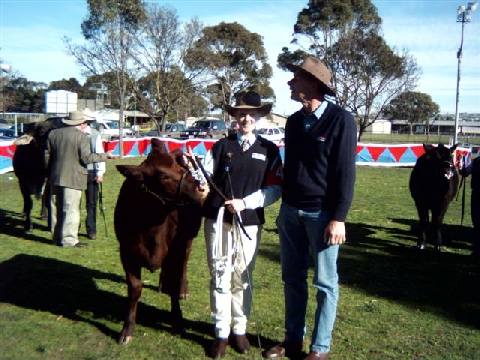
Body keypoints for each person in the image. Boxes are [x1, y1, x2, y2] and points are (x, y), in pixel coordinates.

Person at [264, 56, 357, 360]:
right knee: (292, 278)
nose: (290, 83)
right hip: (291, 212)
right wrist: (282, 210)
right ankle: (293, 341)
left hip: (323, 215)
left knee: (325, 283)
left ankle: (320, 348)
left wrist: (339, 218)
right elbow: (291, 170)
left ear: (313, 84)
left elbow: (345, 172)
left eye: (296, 78)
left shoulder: (341, 120)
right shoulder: (292, 122)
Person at [201, 91, 283, 359]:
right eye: (240, 113)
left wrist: (245, 203)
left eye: (251, 113)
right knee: (220, 274)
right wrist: (198, 181)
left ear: (259, 116)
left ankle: (240, 329)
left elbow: (274, 189)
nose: (245, 118)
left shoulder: (269, 150)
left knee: (242, 277)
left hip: (249, 222)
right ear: (234, 117)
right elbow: (203, 178)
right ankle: (221, 332)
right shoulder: (221, 147)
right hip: (218, 222)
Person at [45, 111, 114, 248]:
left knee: (57, 209)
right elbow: (87, 158)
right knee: (70, 209)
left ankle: (57, 237)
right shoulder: (81, 137)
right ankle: (69, 240)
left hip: (54, 176)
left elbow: (47, 156)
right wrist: (106, 156)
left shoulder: (53, 134)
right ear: (81, 124)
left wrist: (49, 172)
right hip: (73, 177)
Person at [83, 120, 106, 240]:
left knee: (91, 203)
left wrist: (100, 172)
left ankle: (91, 230)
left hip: (91, 172)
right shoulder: (74, 133)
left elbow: (99, 153)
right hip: (75, 172)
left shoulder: (94, 135)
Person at [461, 153, 480, 256]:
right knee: (476, 222)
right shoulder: (476, 161)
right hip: (476, 194)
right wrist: (463, 167)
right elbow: (465, 172)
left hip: (476, 194)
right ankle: (477, 248)